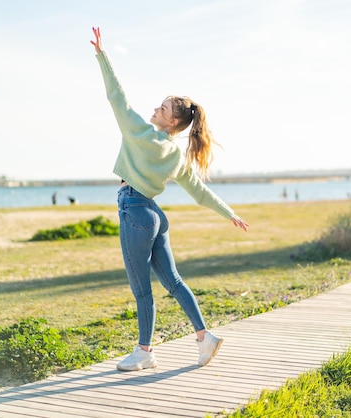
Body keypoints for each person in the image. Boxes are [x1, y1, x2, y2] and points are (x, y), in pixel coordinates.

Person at [90, 27, 249, 372]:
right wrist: (229, 213)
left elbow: (116, 96)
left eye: (162, 108)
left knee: (141, 289)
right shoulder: (177, 156)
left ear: (173, 120)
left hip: (135, 209)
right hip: (154, 215)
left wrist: (103, 56)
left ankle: (144, 351)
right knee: (173, 281)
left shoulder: (141, 133)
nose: (155, 109)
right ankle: (204, 338)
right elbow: (200, 193)